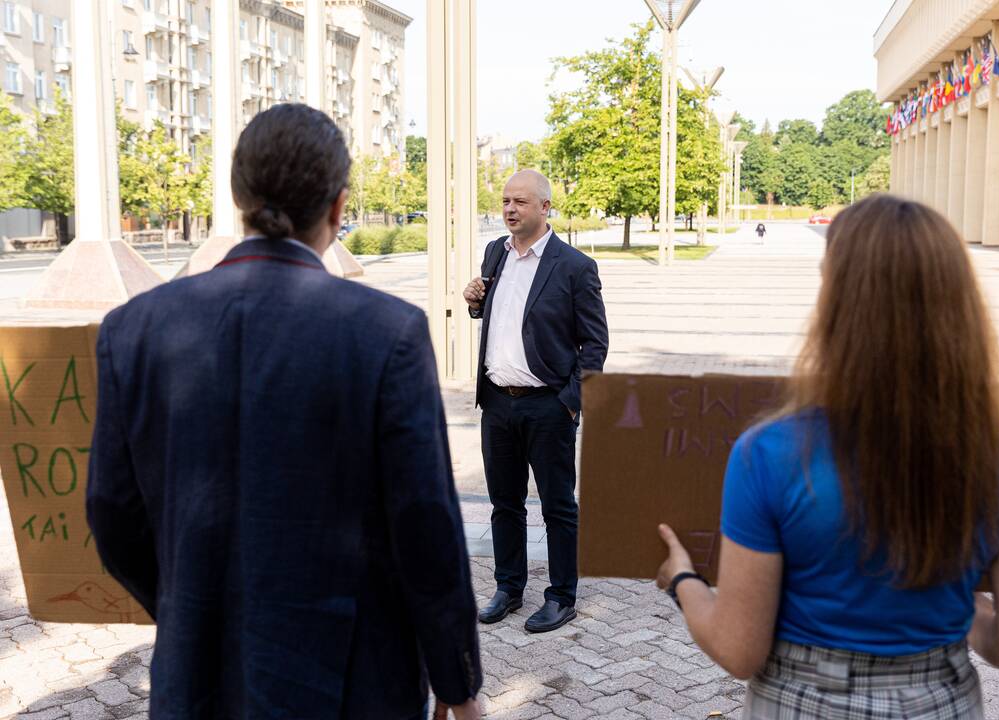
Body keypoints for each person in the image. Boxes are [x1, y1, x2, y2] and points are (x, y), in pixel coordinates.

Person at [87, 104, 482, 720]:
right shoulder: (387, 332)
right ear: (339, 207)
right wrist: (458, 685)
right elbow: (425, 526)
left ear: (239, 196)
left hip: (198, 677)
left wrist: (188, 604)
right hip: (353, 681)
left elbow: (113, 514)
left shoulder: (132, 329)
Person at [656, 195, 999, 718]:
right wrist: (966, 611)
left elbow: (738, 649)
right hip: (942, 699)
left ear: (838, 303)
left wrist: (682, 581)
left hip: (800, 700)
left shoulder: (771, 452)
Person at [463, 169, 609, 634]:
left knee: (557, 505)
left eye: (520, 202)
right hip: (497, 403)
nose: (509, 209)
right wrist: (473, 302)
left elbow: (595, 344)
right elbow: (497, 314)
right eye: (506, 201)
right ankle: (509, 587)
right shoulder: (494, 254)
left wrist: (570, 401)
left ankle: (562, 595)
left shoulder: (574, 266)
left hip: (548, 406)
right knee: (504, 503)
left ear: (545, 208)